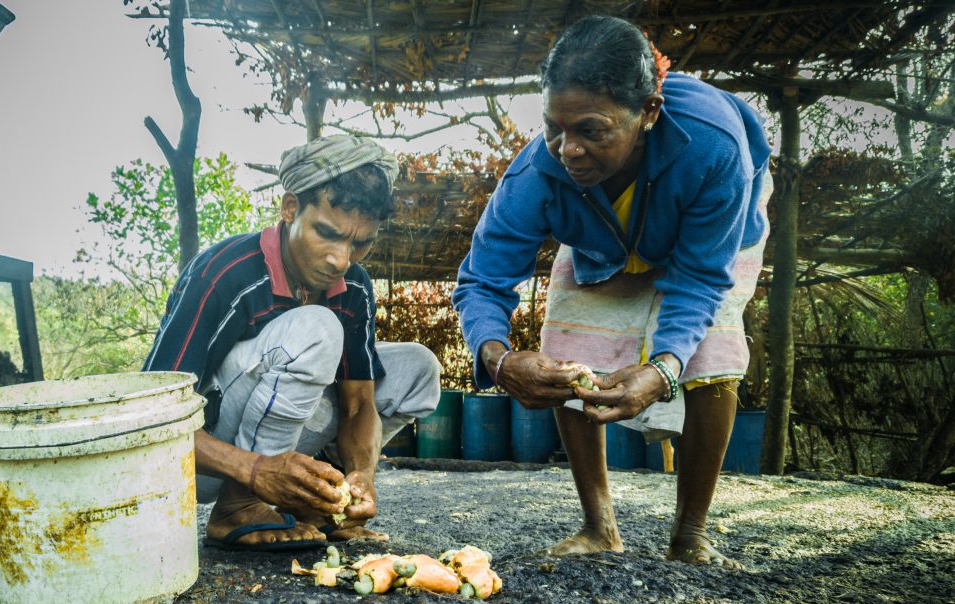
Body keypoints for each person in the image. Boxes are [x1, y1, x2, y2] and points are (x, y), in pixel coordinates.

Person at [453, 15, 772, 570]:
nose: (567, 149)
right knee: (569, 340)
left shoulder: (713, 148)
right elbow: (482, 277)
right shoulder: (539, 172)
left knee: (713, 350)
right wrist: (499, 361)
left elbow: (699, 279)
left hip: (710, 233)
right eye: (555, 127)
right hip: (603, 237)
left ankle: (690, 534)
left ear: (647, 111)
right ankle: (599, 527)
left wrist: (665, 367)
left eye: (590, 131)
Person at [144, 135, 441, 551]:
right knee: (317, 330)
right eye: (327, 233)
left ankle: (316, 496)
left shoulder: (354, 286)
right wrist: (257, 472)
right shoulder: (226, 271)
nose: (341, 259)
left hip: (284, 447)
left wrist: (361, 475)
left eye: (360, 243)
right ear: (289, 208)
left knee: (418, 368)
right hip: (203, 459)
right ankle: (241, 506)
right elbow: (151, 415)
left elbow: (358, 404)